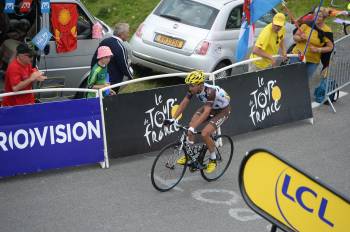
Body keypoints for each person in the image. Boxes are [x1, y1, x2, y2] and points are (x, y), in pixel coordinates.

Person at [164, 70, 231, 174]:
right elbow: (184, 102)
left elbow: (206, 112)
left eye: (192, 85)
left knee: (205, 133)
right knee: (191, 125)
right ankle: (190, 156)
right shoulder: (193, 90)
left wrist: (193, 127)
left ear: (200, 84)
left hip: (223, 110)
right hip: (211, 107)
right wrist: (173, 119)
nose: (190, 88)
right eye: (189, 85)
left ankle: (213, 159)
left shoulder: (210, 91)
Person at [290, 7, 334, 79]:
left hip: (312, 61)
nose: (316, 18)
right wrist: (301, 38)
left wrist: (318, 49)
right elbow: (295, 37)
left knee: (304, 82)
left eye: (319, 16)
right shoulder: (307, 24)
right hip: (297, 56)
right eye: (315, 15)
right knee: (293, 79)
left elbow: (330, 47)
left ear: (324, 18)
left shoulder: (327, 31)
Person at [91, 23, 133, 93]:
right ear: (122, 34)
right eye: (127, 33)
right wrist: (131, 76)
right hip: (112, 82)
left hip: (99, 79)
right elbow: (124, 66)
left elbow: (95, 59)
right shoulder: (120, 47)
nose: (128, 35)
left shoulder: (105, 41)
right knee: (108, 101)